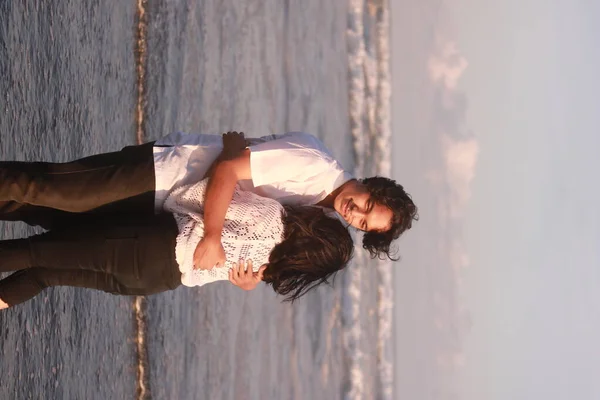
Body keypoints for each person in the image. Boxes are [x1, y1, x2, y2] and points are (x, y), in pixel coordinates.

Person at [0, 131, 418, 268]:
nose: (356, 213)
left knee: (47, 214)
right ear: (368, 184)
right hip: (163, 174)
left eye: (363, 224)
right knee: (45, 187)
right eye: (366, 205)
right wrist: (212, 236)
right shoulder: (314, 167)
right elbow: (228, 170)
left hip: (167, 204)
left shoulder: (317, 206)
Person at [0, 178, 354, 309]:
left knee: (34, 251)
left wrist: (168, 203)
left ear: (315, 227)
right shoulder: (269, 271)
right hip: (155, 281)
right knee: (43, 274)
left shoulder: (272, 219)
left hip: (150, 244)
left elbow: (203, 194)